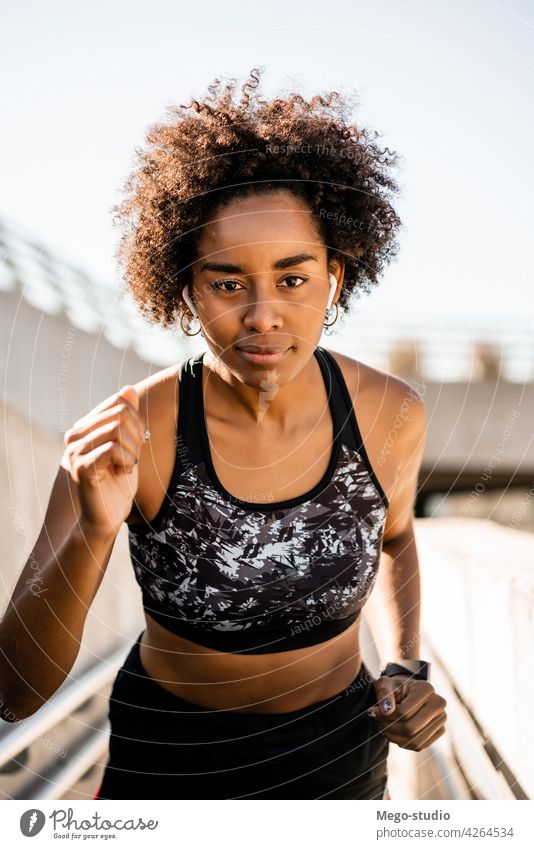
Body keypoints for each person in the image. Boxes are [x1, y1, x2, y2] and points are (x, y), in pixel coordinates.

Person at [0, 69, 447, 800]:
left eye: (294, 279)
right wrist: (90, 529)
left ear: (336, 277)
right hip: (168, 764)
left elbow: (396, 536)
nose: (264, 314)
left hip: (338, 759)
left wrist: (405, 666)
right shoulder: (123, 436)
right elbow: (14, 693)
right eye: (228, 281)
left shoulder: (389, 413)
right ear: (185, 288)